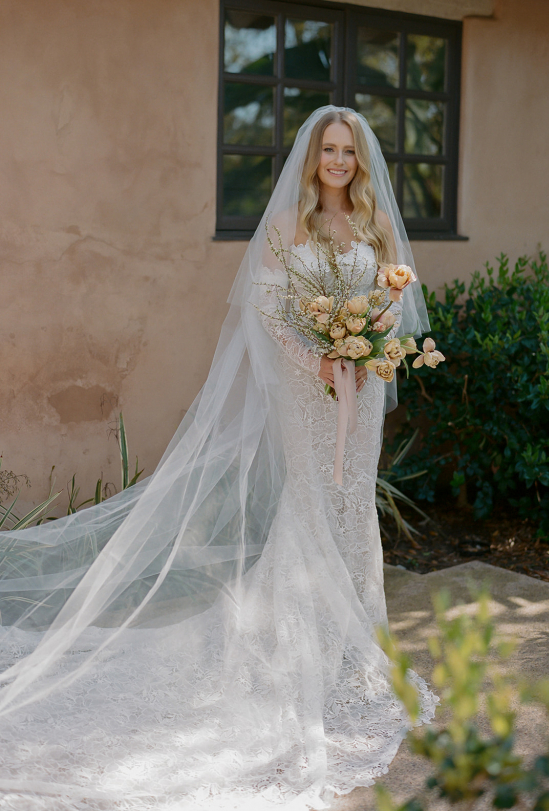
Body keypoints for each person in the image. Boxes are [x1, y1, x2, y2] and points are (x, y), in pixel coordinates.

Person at [0, 106, 438, 810]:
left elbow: (394, 300)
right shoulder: (288, 223)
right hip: (308, 391)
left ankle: (357, 654)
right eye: (328, 149)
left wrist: (368, 343)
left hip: (362, 393)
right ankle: (301, 659)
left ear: (360, 162)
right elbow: (268, 306)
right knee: (312, 503)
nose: (337, 161)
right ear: (312, 157)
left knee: (354, 506)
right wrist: (319, 360)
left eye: (347, 152)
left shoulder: (374, 226)